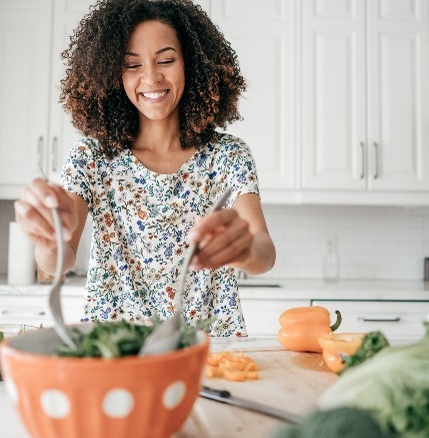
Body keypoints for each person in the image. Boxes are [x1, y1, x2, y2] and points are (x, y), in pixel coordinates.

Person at [14, 0, 276, 337]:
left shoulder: (227, 156)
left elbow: (264, 253)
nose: (151, 77)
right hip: (117, 350)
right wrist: (49, 237)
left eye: (166, 60)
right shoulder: (91, 158)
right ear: (111, 74)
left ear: (191, 65)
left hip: (209, 351)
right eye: (132, 65)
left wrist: (244, 249)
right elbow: (56, 263)